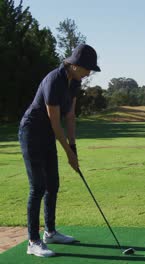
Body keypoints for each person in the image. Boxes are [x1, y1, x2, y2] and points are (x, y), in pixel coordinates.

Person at [18, 44, 101, 257]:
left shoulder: (74, 83)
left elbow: (70, 117)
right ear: (74, 65)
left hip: (46, 134)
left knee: (52, 184)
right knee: (38, 186)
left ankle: (50, 232)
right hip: (31, 132)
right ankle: (33, 242)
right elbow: (56, 123)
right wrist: (68, 154)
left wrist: (73, 147)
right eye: (87, 68)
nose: (89, 72)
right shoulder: (54, 80)